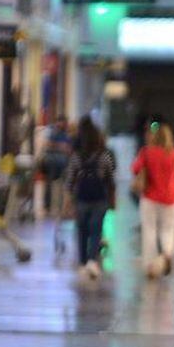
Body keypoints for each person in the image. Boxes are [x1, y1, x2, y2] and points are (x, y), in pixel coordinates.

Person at [131, 122, 174, 279]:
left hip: (149, 197)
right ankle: (166, 256)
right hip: (170, 198)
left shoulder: (147, 152)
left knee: (149, 230)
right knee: (168, 230)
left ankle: (150, 266)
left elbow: (135, 169)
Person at [64, 116, 115, 280]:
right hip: (100, 198)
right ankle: (92, 261)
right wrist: (113, 199)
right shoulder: (104, 156)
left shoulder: (76, 157)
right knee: (96, 230)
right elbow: (110, 179)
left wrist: (68, 201)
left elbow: (70, 180)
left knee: (81, 231)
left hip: (81, 198)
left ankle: (82, 262)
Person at [40, 115, 72, 216]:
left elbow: (69, 148)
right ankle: (48, 206)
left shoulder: (66, 134)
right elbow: (47, 144)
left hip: (63, 164)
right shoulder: (53, 132)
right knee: (50, 184)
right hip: (52, 163)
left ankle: (61, 207)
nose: (63, 125)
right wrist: (61, 147)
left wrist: (66, 149)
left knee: (64, 185)